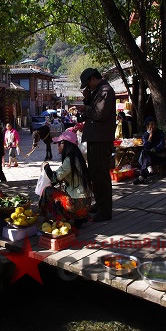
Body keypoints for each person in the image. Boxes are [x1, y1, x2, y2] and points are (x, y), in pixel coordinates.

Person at [71, 68, 116, 222]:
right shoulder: (98, 91)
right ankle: (100, 204)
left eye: (87, 84)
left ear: (92, 79)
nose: (87, 87)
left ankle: (105, 211)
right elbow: (93, 111)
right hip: (95, 138)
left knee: (101, 175)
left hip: (101, 139)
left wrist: (87, 108)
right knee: (95, 174)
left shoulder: (106, 90)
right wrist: (87, 100)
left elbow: (100, 114)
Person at [39, 130, 92, 228]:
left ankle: (50, 217)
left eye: (58, 144)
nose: (57, 146)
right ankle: (78, 217)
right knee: (60, 191)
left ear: (64, 144)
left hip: (76, 205)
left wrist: (46, 166)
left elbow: (54, 179)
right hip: (86, 204)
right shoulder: (78, 158)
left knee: (47, 190)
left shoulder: (70, 160)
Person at [133, 117, 166, 184]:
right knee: (145, 153)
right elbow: (146, 146)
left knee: (144, 154)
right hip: (150, 157)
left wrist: (153, 150)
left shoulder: (160, 133)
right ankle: (143, 174)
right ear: (147, 126)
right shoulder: (145, 135)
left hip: (159, 155)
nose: (153, 126)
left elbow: (161, 144)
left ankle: (142, 176)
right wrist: (150, 136)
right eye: (151, 124)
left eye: (155, 124)